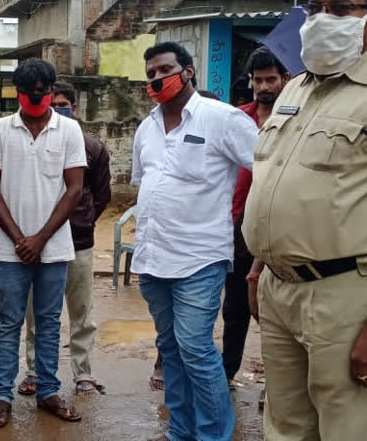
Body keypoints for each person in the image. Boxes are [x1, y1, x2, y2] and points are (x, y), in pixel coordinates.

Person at [243, 0, 367, 440]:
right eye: (314, 9)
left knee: (351, 430)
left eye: (340, 9)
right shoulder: (295, 90)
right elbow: (280, 183)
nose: (321, 20)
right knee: (285, 429)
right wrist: (261, 266)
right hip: (279, 290)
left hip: (349, 296)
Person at [131, 42, 258, 441]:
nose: (157, 78)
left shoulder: (223, 119)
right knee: (170, 350)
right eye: (150, 72)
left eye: (164, 69)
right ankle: (180, 432)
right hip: (152, 258)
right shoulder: (146, 126)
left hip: (200, 258)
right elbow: (145, 183)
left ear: (188, 70)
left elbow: (268, 170)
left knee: (196, 349)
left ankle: (214, 435)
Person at [0, 58, 87, 429]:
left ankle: (48, 391)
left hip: (54, 247)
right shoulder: (0, 129)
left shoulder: (69, 129)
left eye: (43, 93)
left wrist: (40, 238)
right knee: (9, 322)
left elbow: (75, 188)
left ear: (51, 91)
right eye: (29, 94)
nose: (37, 99)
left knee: (47, 321)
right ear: (18, 94)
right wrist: (18, 238)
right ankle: (2, 396)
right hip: (11, 250)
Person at [21, 81, 111, 396]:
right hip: (39, 244)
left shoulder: (93, 147)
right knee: (37, 312)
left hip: (79, 243)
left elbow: (101, 196)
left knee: (81, 312)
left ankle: (83, 374)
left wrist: (82, 222)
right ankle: (34, 372)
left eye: (64, 104)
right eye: (53, 103)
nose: (58, 109)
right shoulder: (33, 142)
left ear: (74, 107)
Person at [223, 47, 289, 397]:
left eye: (270, 79)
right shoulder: (236, 118)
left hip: (281, 227)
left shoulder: (296, 120)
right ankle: (226, 372)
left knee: (275, 309)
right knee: (235, 307)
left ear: (285, 80)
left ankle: (276, 384)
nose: (263, 86)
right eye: (258, 80)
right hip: (236, 227)